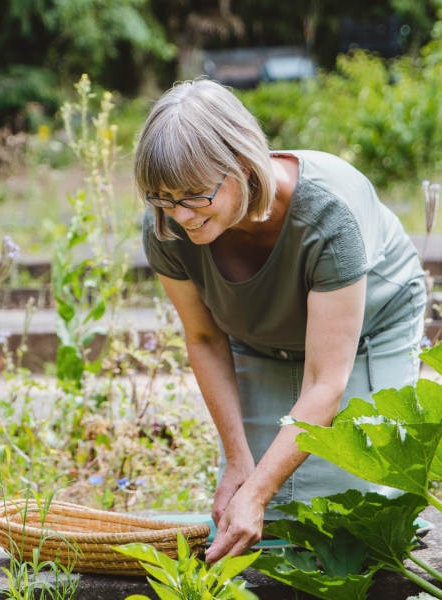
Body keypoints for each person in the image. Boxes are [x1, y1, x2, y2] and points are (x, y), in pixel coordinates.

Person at [134, 79, 426, 561]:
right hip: (258, 333)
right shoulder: (166, 226)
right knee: (263, 522)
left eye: (193, 195)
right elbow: (205, 337)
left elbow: (325, 381)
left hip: (370, 333)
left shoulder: (329, 214)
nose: (181, 215)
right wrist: (238, 461)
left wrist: (258, 491)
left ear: (242, 164)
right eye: (163, 197)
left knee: (364, 520)